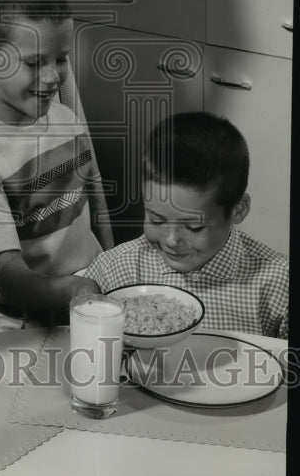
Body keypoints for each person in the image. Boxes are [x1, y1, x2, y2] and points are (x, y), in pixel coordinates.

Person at [0, 0, 114, 334]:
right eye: (35, 62)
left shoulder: (66, 119)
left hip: (81, 308)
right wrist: (72, 291)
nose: (53, 76)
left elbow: (95, 208)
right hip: (18, 330)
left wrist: (111, 269)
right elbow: (7, 275)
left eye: (60, 58)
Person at [83, 111, 289, 339]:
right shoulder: (113, 270)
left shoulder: (278, 282)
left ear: (238, 210)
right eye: (156, 220)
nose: (171, 240)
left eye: (193, 227)